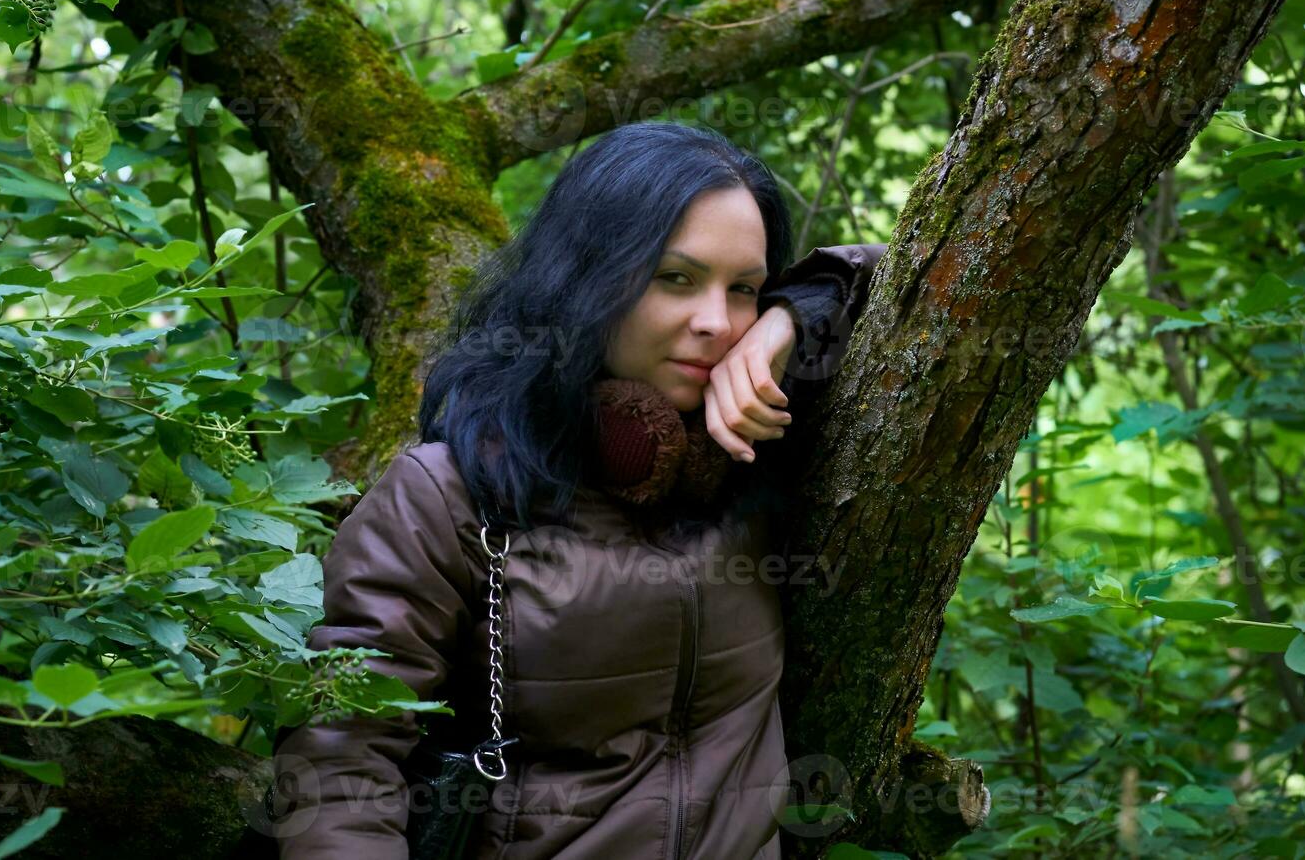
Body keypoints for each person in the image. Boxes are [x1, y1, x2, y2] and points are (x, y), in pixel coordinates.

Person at [271, 121, 887, 859]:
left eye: (744, 289)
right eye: (676, 278)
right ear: (589, 277)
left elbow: (899, 272)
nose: (715, 323)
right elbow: (340, 771)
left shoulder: (753, 457)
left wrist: (780, 325)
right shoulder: (449, 496)